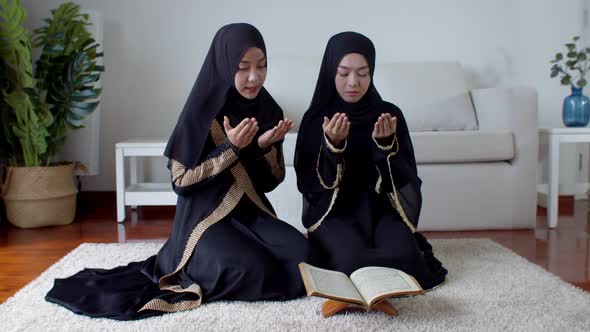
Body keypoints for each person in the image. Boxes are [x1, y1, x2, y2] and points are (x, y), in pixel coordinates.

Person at [46, 23, 310, 320]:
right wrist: (231, 149)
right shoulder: (202, 110)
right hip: (204, 222)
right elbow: (181, 181)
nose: (254, 77)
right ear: (224, 65)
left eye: (261, 66)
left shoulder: (267, 109)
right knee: (246, 269)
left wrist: (263, 148)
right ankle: (192, 262)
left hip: (251, 215)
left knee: (301, 254)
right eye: (243, 67)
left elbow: (271, 183)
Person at [294, 31, 447, 290]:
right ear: (331, 71)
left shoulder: (388, 114)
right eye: (344, 73)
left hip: (379, 211)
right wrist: (333, 146)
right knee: (349, 263)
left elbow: (405, 179)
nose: (353, 82)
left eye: (363, 73)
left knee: (406, 261)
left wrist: (386, 146)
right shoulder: (316, 119)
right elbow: (308, 183)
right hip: (334, 215)